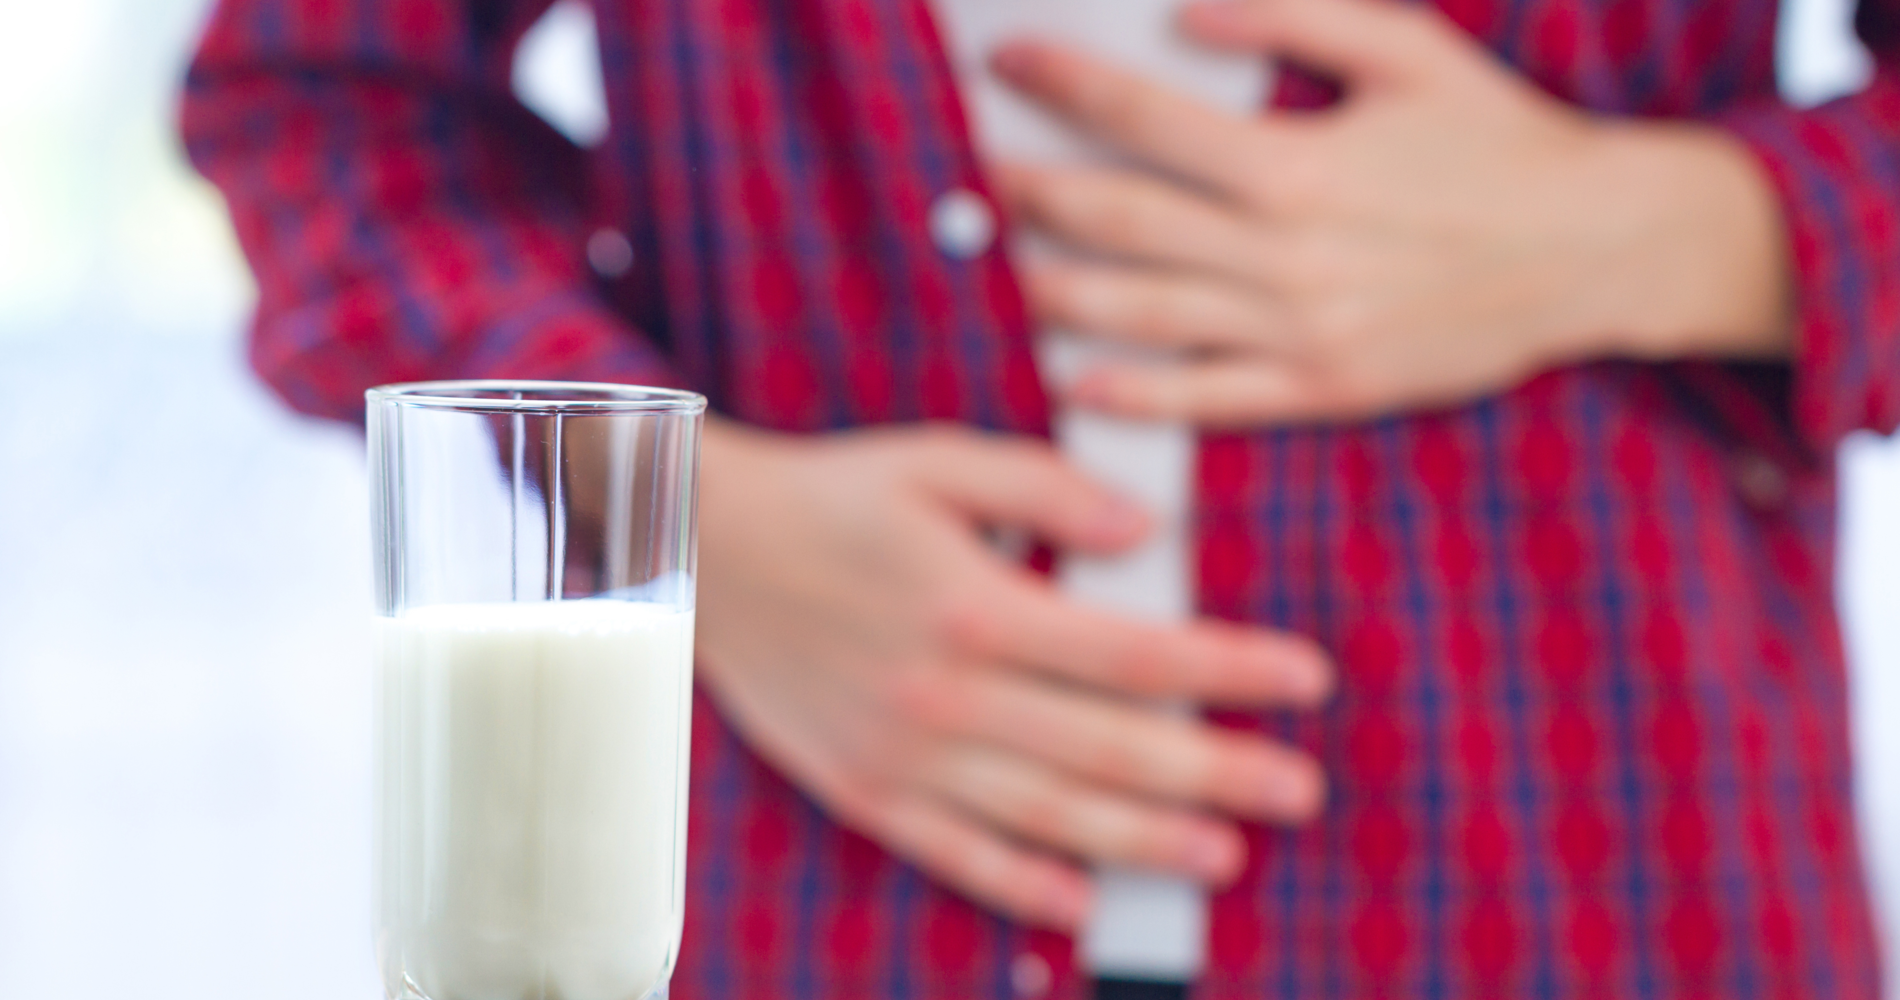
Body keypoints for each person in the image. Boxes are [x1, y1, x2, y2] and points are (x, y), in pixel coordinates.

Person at [182, 0, 1898, 996]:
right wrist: (698, 523)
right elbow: (325, 106)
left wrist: (1658, 228)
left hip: (1601, 881)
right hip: (807, 895)